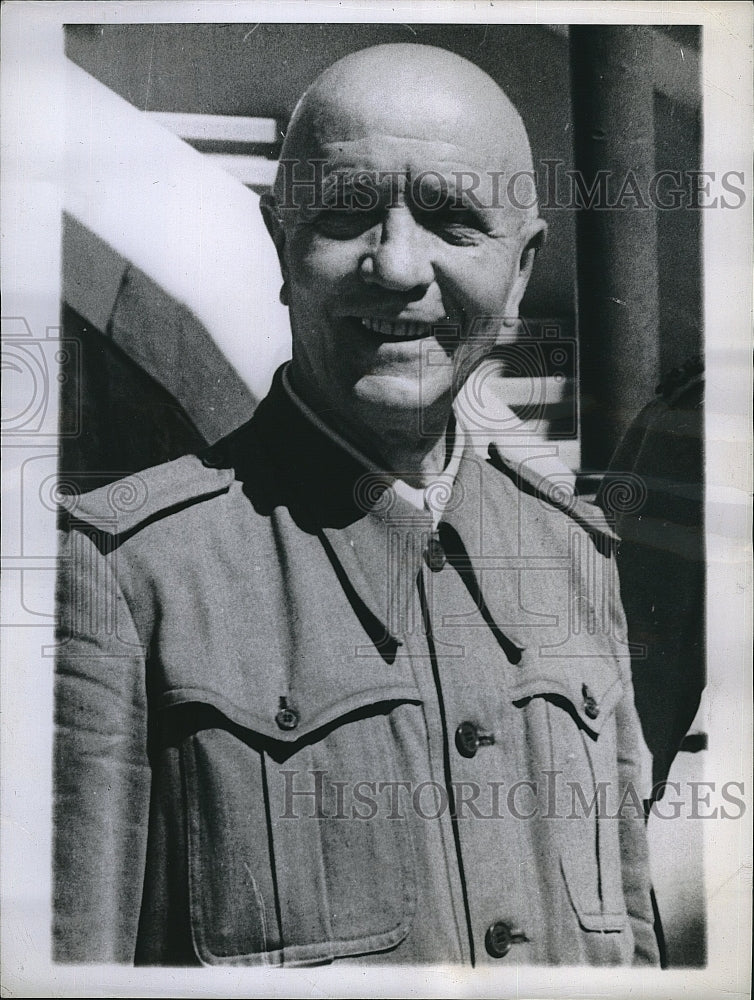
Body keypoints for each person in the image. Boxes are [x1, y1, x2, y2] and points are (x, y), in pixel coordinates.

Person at [54, 43, 659, 967]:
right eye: (346, 212)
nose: (397, 265)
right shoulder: (129, 575)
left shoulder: (575, 557)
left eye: (454, 220)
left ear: (523, 269)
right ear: (279, 241)